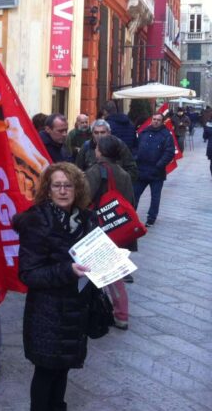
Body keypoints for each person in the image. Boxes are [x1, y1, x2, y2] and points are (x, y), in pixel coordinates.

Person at [12, 162, 96, 411]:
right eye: (56, 185)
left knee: (63, 369)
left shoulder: (87, 219)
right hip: (47, 312)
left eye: (68, 186)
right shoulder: (36, 221)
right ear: (47, 190)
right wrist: (67, 271)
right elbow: (28, 274)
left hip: (75, 309)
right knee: (47, 370)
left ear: (77, 189)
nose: (62, 191)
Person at [85, 135, 135, 330]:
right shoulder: (124, 174)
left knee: (94, 271)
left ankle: (103, 311)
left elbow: (84, 198)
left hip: (97, 228)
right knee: (114, 274)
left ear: (100, 151)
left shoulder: (95, 171)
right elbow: (130, 203)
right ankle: (121, 314)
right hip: (116, 229)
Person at [134, 113, 175, 228]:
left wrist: (159, 165)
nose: (155, 121)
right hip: (141, 170)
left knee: (155, 197)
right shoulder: (144, 132)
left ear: (162, 122)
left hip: (156, 173)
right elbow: (136, 147)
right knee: (134, 194)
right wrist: (136, 157)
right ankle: (131, 215)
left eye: (158, 120)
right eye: (154, 119)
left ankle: (151, 218)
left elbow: (169, 152)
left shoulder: (166, 135)